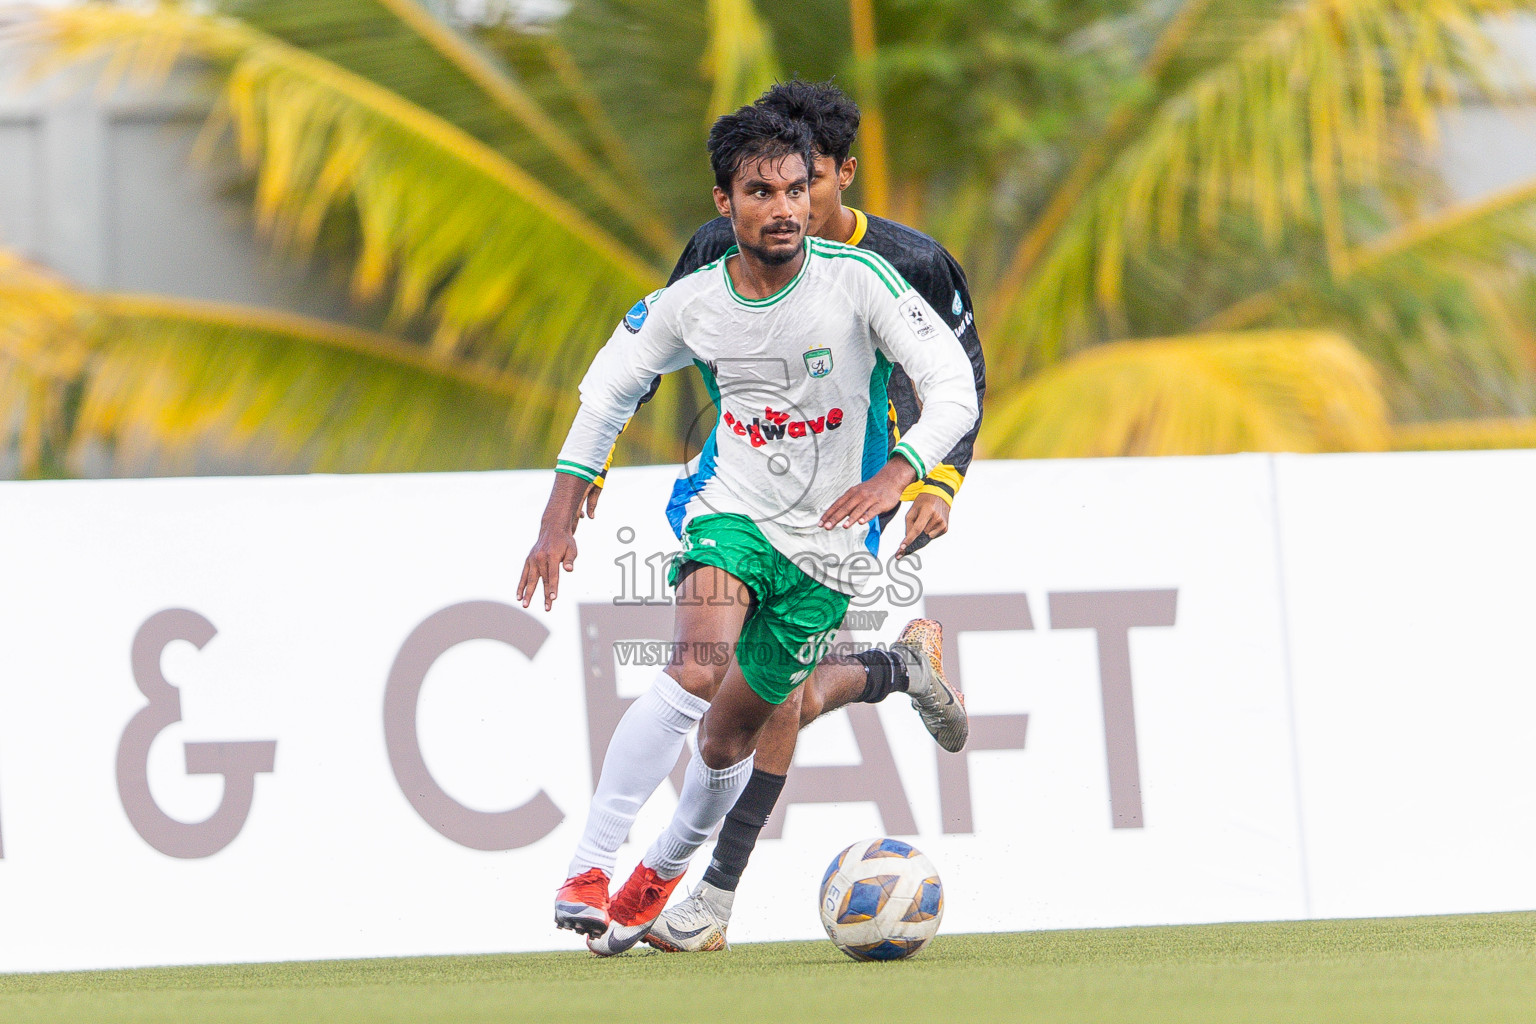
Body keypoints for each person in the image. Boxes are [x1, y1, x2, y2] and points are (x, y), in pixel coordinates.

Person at [520, 105, 977, 956]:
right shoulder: (690, 302)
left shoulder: (865, 279)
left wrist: (904, 471)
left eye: (796, 190)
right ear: (723, 202)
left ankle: (660, 874)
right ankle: (588, 869)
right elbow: (608, 390)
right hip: (730, 511)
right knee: (698, 665)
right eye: (761, 192)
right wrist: (559, 516)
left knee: (736, 729)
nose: (784, 208)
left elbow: (953, 385)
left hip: (831, 545)